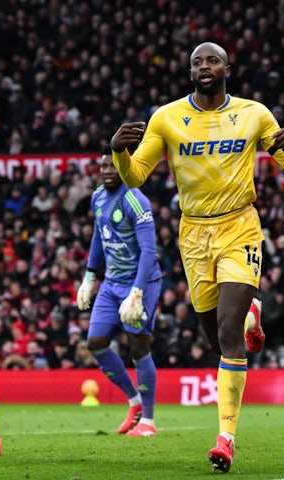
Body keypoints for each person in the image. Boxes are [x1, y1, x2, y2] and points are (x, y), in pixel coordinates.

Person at [109, 42, 284, 472]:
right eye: (197, 61)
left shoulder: (255, 113)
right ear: (189, 71)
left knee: (227, 329)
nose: (205, 66)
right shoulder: (167, 117)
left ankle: (226, 438)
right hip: (194, 233)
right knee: (218, 341)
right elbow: (135, 177)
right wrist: (119, 152)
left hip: (240, 226)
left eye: (212, 60)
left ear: (227, 69)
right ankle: (252, 319)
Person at [77, 146, 162, 437]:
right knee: (96, 342)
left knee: (138, 346)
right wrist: (89, 276)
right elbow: (99, 238)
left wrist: (137, 292)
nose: (107, 171)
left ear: (124, 168)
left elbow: (150, 251)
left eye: (112, 167)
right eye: (103, 167)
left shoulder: (136, 200)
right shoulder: (98, 198)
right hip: (111, 284)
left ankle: (148, 422)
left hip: (140, 282)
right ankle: (135, 402)